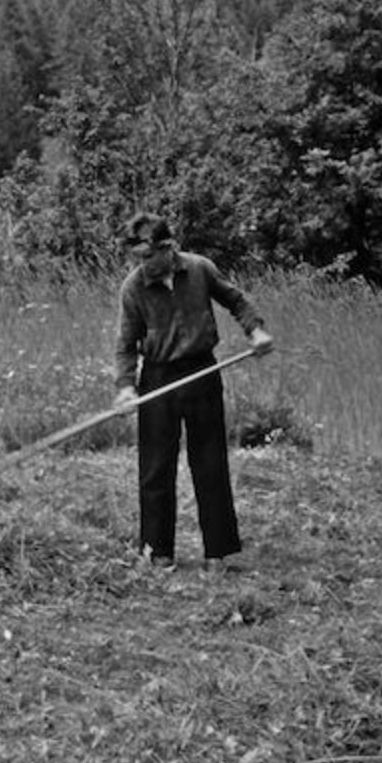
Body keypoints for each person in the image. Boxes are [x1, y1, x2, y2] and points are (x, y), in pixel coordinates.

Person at [111, 212, 274, 573]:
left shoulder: (200, 269)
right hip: (158, 378)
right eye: (137, 258)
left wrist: (255, 331)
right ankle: (158, 552)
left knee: (210, 461)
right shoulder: (133, 289)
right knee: (155, 467)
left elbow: (237, 301)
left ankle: (217, 552)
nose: (143, 264)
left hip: (202, 371)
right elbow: (125, 346)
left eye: (149, 256)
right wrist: (125, 388)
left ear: (169, 247)